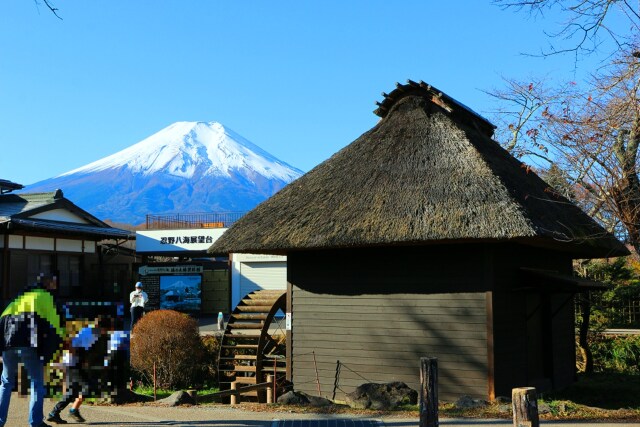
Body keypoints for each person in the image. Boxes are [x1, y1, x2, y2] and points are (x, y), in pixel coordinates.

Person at [0, 273, 65, 427]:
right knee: (36, 383)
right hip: (29, 344)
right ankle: (35, 423)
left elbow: (2, 321)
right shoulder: (44, 297)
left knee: (6, 382)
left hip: (8, 344)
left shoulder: (18, 298)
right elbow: (55, 326)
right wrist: (53, 349)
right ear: (48, 285)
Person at [47, 315, 113, 424]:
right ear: (99, 327)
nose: (105, 332)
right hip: (72, 364)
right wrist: (73, 357)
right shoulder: (89, 333)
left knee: (75, 390)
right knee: (85, 388)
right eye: (104, 329)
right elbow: (71, 343)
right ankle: (67, 411)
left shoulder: (93, 333)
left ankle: (59, 412)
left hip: (76, 364)